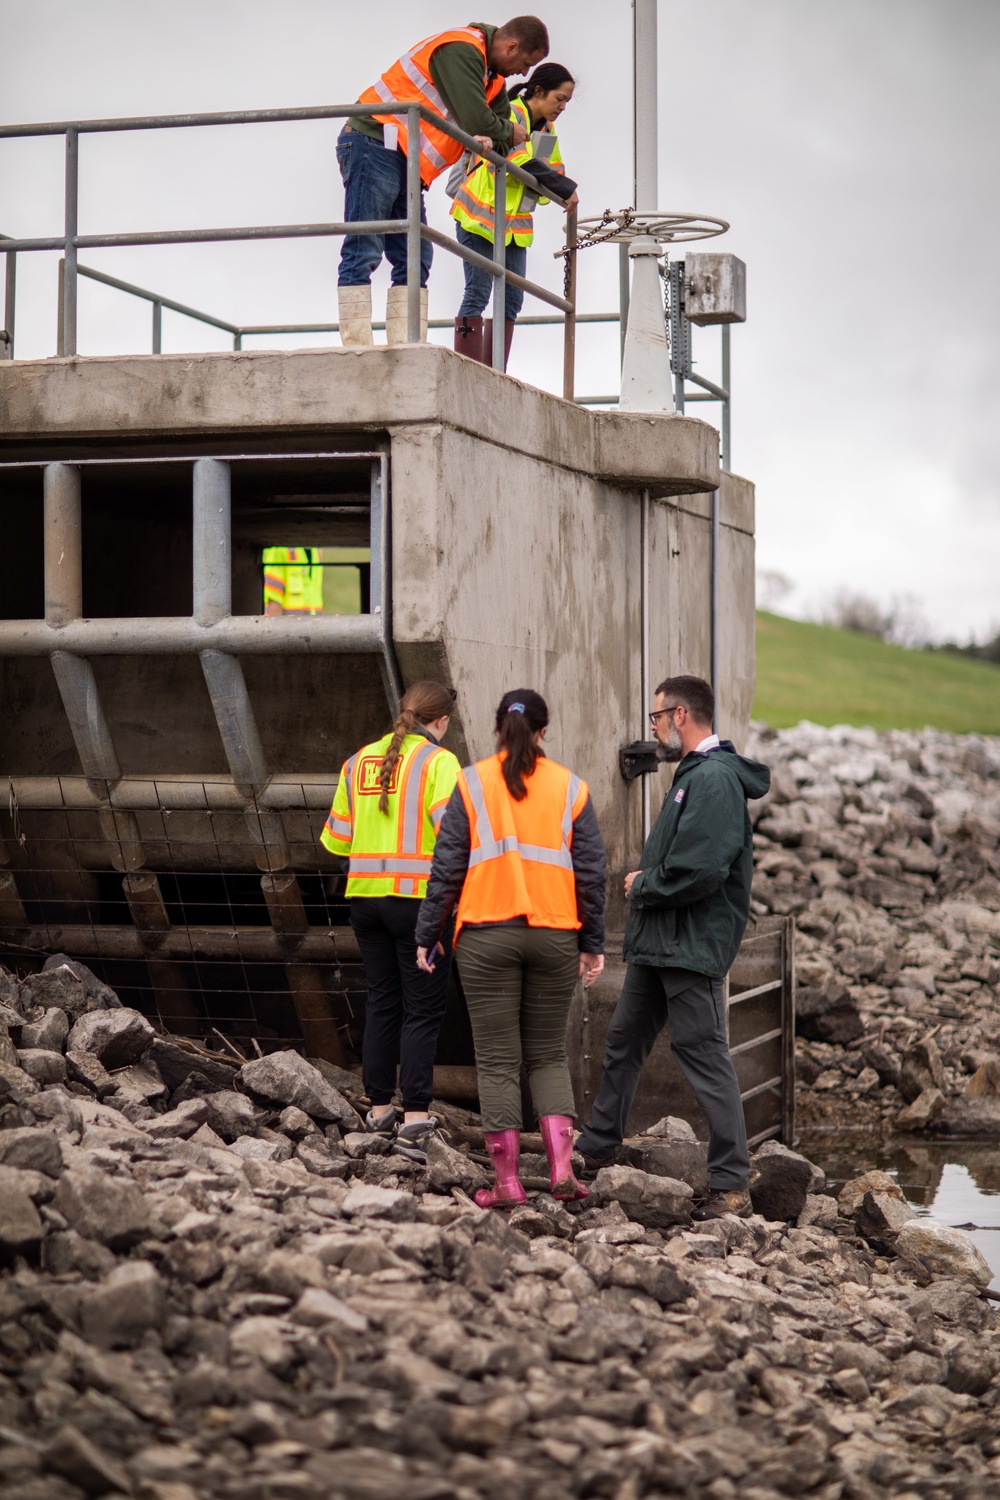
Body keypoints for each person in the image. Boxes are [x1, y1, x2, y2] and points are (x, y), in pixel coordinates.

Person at [575, 675, 771, 1220]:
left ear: (681, 715)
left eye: (656, 717)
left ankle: (732, 1182)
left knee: (702, 1053)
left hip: (688, 944)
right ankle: (596, 1146)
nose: (654, 727)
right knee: (623, 1040)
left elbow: (704, 868)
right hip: (661, 942)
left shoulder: (712, 780)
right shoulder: (695, 776)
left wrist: (645, 884)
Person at [415, 689, 606, 1208]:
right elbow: (590, 874)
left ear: (498, 728)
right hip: (555, 936)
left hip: (484, 937)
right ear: (544, 732)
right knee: (546, 1056)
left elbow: (446, 868)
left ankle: (506, 1185)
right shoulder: (571, 788)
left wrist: (428, 933)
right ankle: (562, 1172)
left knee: (497, 1061)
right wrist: (592, 943)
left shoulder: (471, 783)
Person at [336, 17, 549, 349]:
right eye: (525, 63)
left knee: (415, 257)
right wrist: (506, 130)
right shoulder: (461, 50)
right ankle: (356, 346)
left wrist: (498, 133)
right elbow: (479, 121)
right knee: (365, 246)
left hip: (405, 161)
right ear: (512, 46)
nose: (524, 73)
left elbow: (500, 139)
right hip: (375, 140)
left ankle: (406, 346)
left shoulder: (491, 79)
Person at [321, 681, 460, 1159]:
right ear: (440, 721)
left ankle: (378, 1111)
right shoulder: (439, 762)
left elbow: (336, 840)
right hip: (418, 905)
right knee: (422, 1009)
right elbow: (455, 838)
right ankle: (415, 1120)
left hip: (365, 901)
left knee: (382, 1001)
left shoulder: (358, 760)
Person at [451, 62, 579, 370]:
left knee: (511, 301)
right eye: (559, 98)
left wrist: (556, 184)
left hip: (513, 227)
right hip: (478, 217)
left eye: (566, 102)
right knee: (478, 291)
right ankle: (469, 371)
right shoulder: (510, 112)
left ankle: (495, 373)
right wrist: (562, 187)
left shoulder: (547, 129)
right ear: (538, 91)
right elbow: (517, 158)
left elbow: (554, 169)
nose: (562, 106)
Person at [262, 546, 324, 616]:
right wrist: (275, 626)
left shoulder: (315, 549)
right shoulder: (278, 549)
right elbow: (273, 600)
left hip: (313, 623)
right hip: (287, 624)